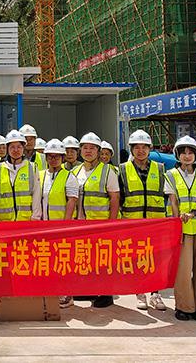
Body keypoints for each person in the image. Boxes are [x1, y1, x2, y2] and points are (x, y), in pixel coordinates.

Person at [165, 135, 196, 322]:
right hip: (182, 229)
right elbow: (173, 201)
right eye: (183, 152)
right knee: (183, 271)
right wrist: (178, 220)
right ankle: (183, 307)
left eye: (190, 152)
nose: (187, 156)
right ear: (177, 155)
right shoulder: (171, 175)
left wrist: (193, 213)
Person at [119, 129, 168, 311]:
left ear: (149, 149)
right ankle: (140, 293)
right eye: (137, 147)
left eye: (144, 147)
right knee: (137, 260)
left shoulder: (160, 169)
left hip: (155, 224)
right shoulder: (123, 169)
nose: (140, 151)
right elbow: (120, 197)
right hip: (133, 224)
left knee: (156, 260)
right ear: (131, 149)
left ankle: (155, 294)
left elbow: (167, 195)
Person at [73, 132, 120, 308]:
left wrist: (112, 223)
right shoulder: (75, 171)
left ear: (99, 151)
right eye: (85, 148)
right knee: (86, 258)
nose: (88, 151)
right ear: (80, 151)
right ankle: (89, 290)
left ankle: (106, 294)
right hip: (81, 224)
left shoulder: (108, 171)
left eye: (92, 148)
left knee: (103, 259)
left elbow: (114, 198)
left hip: (101, 224)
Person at [40, 138, 79, 309]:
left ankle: (67, 295)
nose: (53, 159)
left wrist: (65, 225)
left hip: (61, 227)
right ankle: (51, 291)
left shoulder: (69, 176)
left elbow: (72, 200)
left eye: (57, 156)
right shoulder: (41, 175)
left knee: (63, 261)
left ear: (63, 158)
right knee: (47, 261)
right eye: (50, 156)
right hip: (44, 227)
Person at [0, 130, 41, 222]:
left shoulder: (32, 167)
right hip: (3, 221)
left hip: (26, 220)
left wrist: (36, 216)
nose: (16, 150)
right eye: (12, 147)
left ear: (23, 148)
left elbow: (36, 194)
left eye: (19, 147)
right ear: (7, 148)